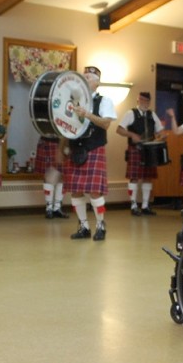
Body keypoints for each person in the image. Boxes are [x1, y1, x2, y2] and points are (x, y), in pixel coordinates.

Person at [67, 66, 115, 241]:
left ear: (97, 82)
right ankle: (83, 226)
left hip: (94, 147)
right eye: (84, 76)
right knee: (76, 191)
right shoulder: (73, 100)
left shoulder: (104, 101)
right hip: (76, 148)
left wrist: (87, 114)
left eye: (88, 77)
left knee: (95, 192)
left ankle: (100, 225)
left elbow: (106, 124)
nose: (85, 79)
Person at [116, 90, 166, 216]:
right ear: (138, 100)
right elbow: (119, 129)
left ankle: (145, 206)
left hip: (149, 150)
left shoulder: (152, 115)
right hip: (135, 149)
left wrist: (161, 135)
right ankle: (133, 205)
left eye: (147, 101)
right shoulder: (130, 113)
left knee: (148, 178)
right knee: (134, 178)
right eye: (143, 100)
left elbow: (160, 130)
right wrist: (131, 134)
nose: (145, 103)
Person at [35, 131, 68, 219]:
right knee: (48, 174)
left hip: (63, 140)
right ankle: (49, 208)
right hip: (48, 139)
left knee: (62, 175)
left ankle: (57, 208)